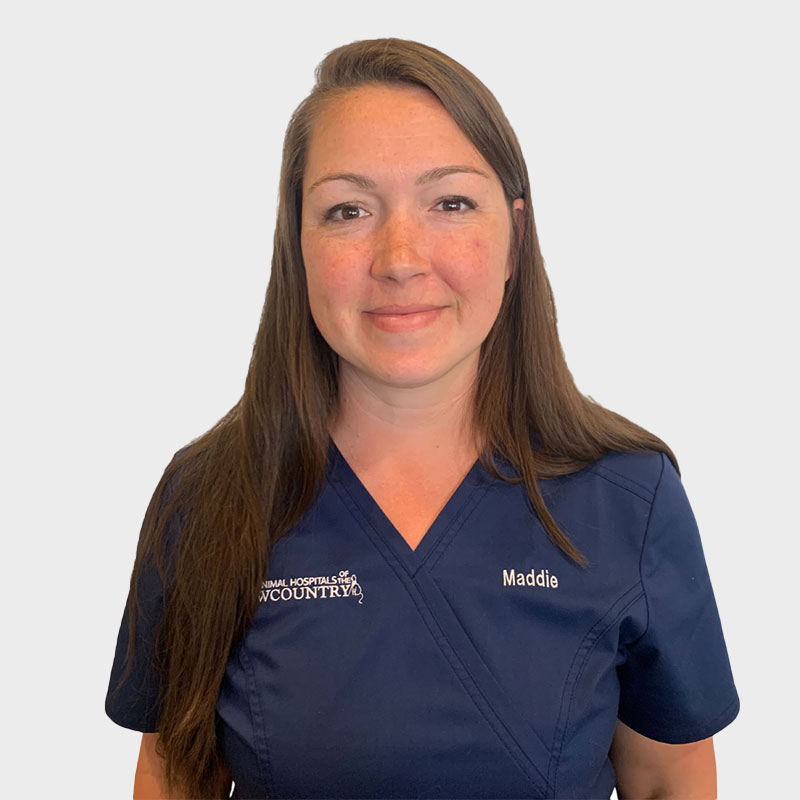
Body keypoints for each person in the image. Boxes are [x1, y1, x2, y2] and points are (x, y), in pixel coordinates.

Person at [105, 37, 740, 799]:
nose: (399, 257)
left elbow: (672, 783)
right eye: (348, 210)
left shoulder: (630, 503)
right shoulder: (206, 499)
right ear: (297, 245)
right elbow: (174, 774)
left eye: (450, 203)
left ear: (514, 236)